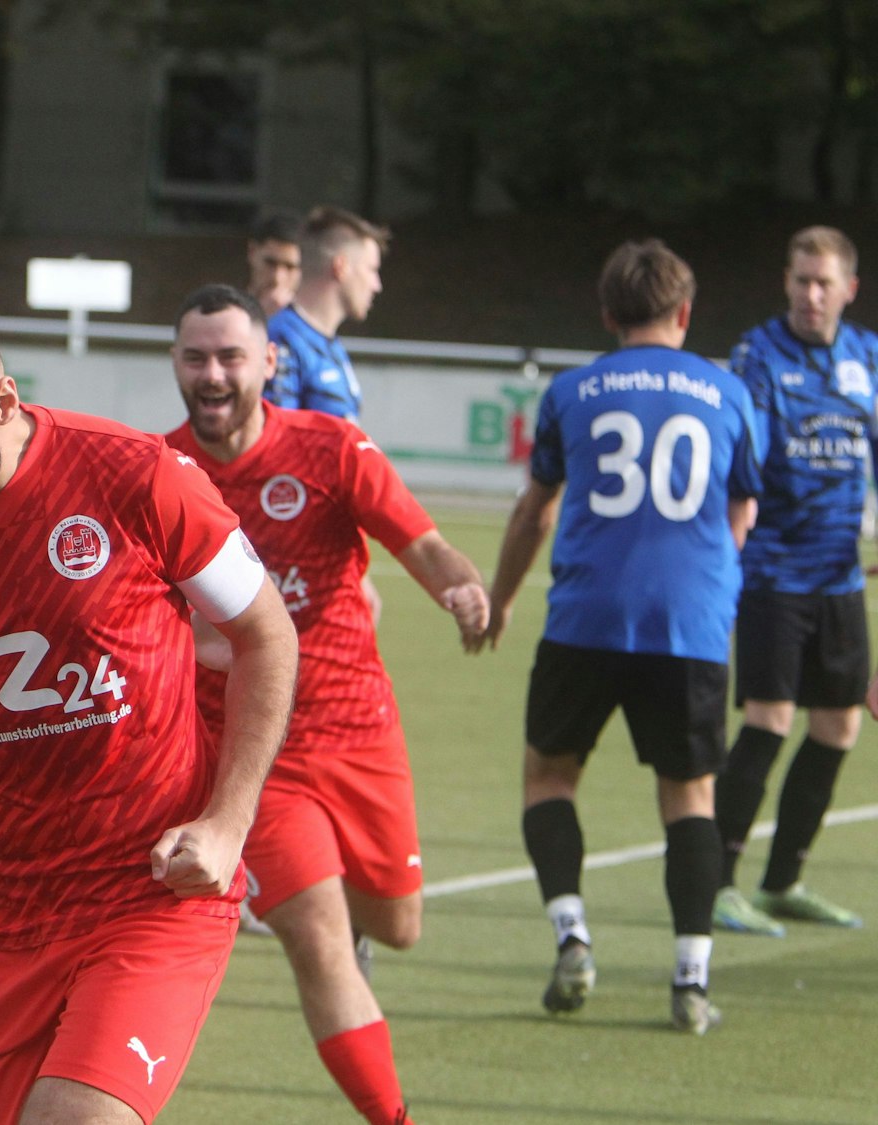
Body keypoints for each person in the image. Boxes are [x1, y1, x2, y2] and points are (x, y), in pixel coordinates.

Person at [0, 280, 299, 1124]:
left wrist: (230, 823)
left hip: (151, 887)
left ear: (3, 397)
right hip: (0, 912)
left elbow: (268, 634)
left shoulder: (135, 475)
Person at [165, 283, 486, 1123]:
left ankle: (309, 904)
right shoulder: (156, 470)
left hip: (356, 729)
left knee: (399, 923)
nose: (212, 373)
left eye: (231, 355)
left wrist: (459, 587)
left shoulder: (331, 448)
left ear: (269, 363)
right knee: (319, 938)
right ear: (175, 364)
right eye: (196, 356)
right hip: (248, 752)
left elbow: (422, 542)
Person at [485, 239, 761, 1035]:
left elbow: (535, 508)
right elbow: (741, 510)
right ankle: (690, 975)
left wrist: (502, 598)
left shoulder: (573, 392)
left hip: (586, 618)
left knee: (549, 775)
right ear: (684, 312)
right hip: (691, 623)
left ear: (608, 315)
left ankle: (572, 933)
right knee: (689, 796)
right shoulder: (728, 393)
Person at [712, 226, 876, 936]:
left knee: (840, 726)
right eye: (800, 280)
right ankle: (716, 880)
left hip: (841, 575)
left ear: (849, 289)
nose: (811, 294)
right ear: (786, 282)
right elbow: (743, 462)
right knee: (768, 720)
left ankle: (783, 880)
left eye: (823, 282)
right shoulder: (758, 355)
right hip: (774, 571)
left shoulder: (867, 357)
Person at [266, 206, 387, 421]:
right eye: (371, 269)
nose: (376, 285)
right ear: (341, 267)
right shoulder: (282, 339)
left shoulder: (328, 342)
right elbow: (277, 442)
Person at [246, 210, 303, 318]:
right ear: (252, 252)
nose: (277, 278)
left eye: (289, 267)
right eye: (270, 263)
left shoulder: (312, 327)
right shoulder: (225, 315)